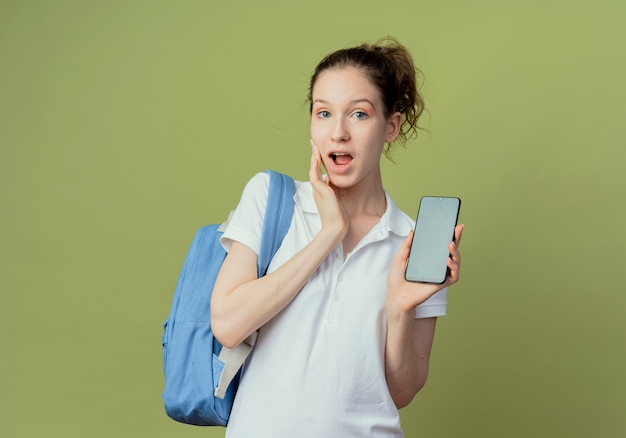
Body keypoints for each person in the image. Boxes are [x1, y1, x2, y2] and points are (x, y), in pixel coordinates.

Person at [210, 36, 464, 437]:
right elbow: (227, 324)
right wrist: (329, 234)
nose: (338, 133)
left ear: (391, 127)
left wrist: (400, 308)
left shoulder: (413, 244)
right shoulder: (270, 198)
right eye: (323, 112)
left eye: (359, 115)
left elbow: (400, 391)